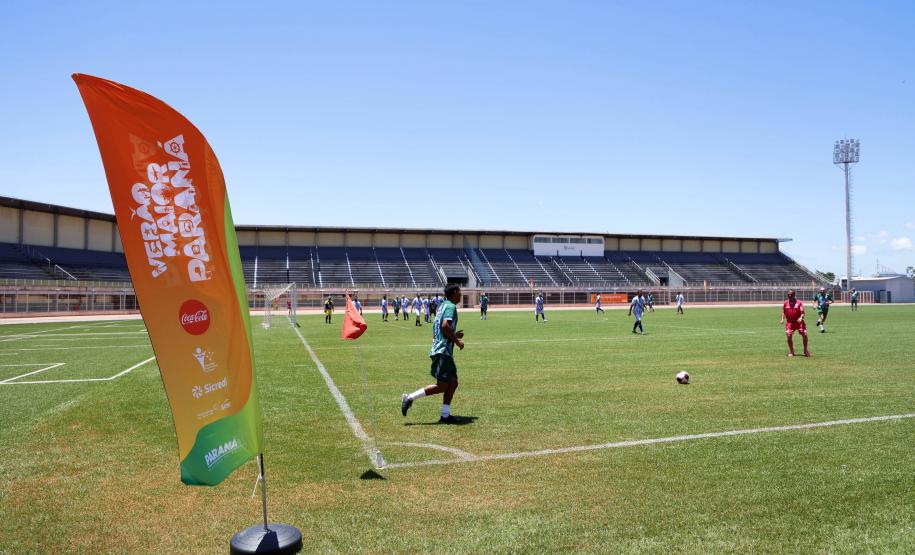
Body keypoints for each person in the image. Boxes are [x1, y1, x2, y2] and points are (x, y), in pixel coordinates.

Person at [401, 283, 465, 424]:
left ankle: (445, 415)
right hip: (442, 350)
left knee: (453, 382)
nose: (461, 294)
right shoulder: (450, 306)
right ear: (454, 292)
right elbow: (444, 326)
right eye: (460, 291)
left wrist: (454, 335)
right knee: (443, 385)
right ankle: (409, 398)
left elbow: (440, 327)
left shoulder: (442, 306)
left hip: (442, 349)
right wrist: (457, 341)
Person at [781, 289, 810, 357]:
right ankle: (791, 351)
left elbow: (802, 313)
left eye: (791, 294)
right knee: (788, 336)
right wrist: (782, 319)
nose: (789, 296)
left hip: (799, 323)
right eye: (788, 295)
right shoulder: (785, 303)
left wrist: (801, 318)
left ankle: (805, 350)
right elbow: (783, 312)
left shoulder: (799, 303)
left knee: (804, 334)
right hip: (790, 323)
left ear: (794, 295)